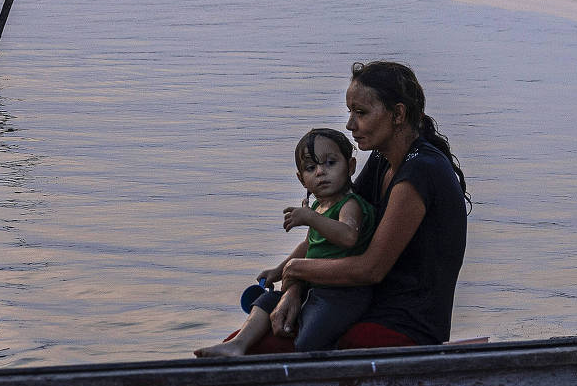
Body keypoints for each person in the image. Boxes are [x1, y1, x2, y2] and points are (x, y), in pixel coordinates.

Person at [197, 61, 470, 355]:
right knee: (247, 337)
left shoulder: (420, 171)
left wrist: (294, 270)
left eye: (361, 113)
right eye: (350, 112)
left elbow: (371, 269)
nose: (350, 124)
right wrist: (292, 289)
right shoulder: (382, 161)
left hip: (402, 326)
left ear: (398, 114)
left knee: (275, 351)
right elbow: (330, 229)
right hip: (354, 305)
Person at [194, 129, 377, 358]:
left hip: (343, 293)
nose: (321, 172)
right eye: (311, 168)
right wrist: (279, 270)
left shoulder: (349, 205)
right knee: (266, 301)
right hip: (316, 288)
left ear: (350, 167)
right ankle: (238, 344)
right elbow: (308, 246)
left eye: (330, 163)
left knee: (309, 341)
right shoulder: (321, 208)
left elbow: (348, 236)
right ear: (302, 179)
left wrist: (311, 218)